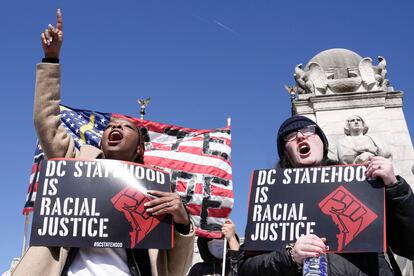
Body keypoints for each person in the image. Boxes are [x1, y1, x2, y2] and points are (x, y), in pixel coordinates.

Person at [12, 9, 195, 276]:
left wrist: (181, 223)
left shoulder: (157, 193)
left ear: (140, 147)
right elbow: (46, 121)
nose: (115, 127)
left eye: (126, 126)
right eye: (110, 126)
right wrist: (51, 61)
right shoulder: (76, 163)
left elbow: (176, 270)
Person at [238, 115, 414, 275]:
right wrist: (289, 256)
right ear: (286, 153)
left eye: (308, 131)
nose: (300, 137)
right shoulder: (269, 199)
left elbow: (410, 246)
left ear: (323, 143)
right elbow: (246, 269)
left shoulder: (363, 185)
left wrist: (394, 187)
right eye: (290, 137)